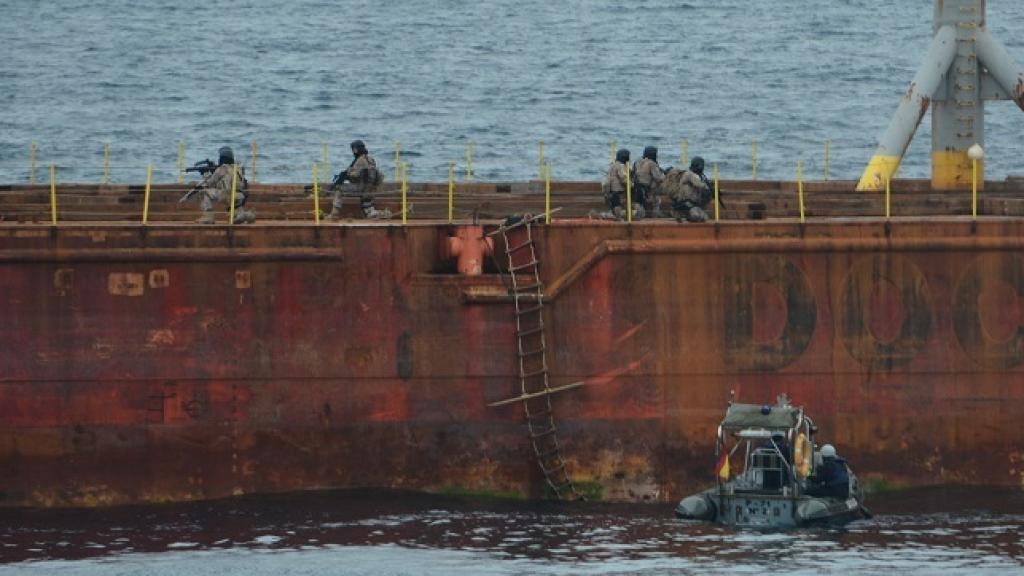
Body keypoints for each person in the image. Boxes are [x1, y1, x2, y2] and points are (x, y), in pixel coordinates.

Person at [328, 140, 390, 221]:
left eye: (354, 149)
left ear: (356, 149)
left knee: (339, 189)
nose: (353, 151)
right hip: (370, 190)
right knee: (369, 211)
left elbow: (355, 176)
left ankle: (334, 214)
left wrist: (345, 176)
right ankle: (383, 213)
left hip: (361, 188)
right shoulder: (371, 159)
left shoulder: (360, 160)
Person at [195, 146, 254, 225]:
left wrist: (205, 174)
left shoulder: (222, 169)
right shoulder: (238, 169)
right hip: (240, 196)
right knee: (236, 213)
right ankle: (248, 215)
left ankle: (208, 218)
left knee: (205, 192)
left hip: (227, 195)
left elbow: (210, 183)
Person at [667, 156, 712, 223]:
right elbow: (699, 184)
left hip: (692, 203)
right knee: (696, 216)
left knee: (704, 218)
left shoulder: (696, 175)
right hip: (686, 202)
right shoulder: (689, 174)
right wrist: (708, 188)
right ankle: (680, 212)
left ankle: (686, 214)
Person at [634, 146, 666, 217]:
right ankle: (655, 214)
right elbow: (658, 178)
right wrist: (664, 175)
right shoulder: (652, 163)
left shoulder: (637, 162)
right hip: (647, 189)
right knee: (657, 200)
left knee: (639, 203)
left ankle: (639, 214)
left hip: (637, 187)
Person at [599, 148, 631, 220]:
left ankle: (610, 216)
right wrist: (630, 184)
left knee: (614, 205)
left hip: (611, 190)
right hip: (618, 190)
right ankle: (616, 217)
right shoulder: (620, 166)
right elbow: (623, 178)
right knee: (617, 206)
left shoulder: (612, 166)